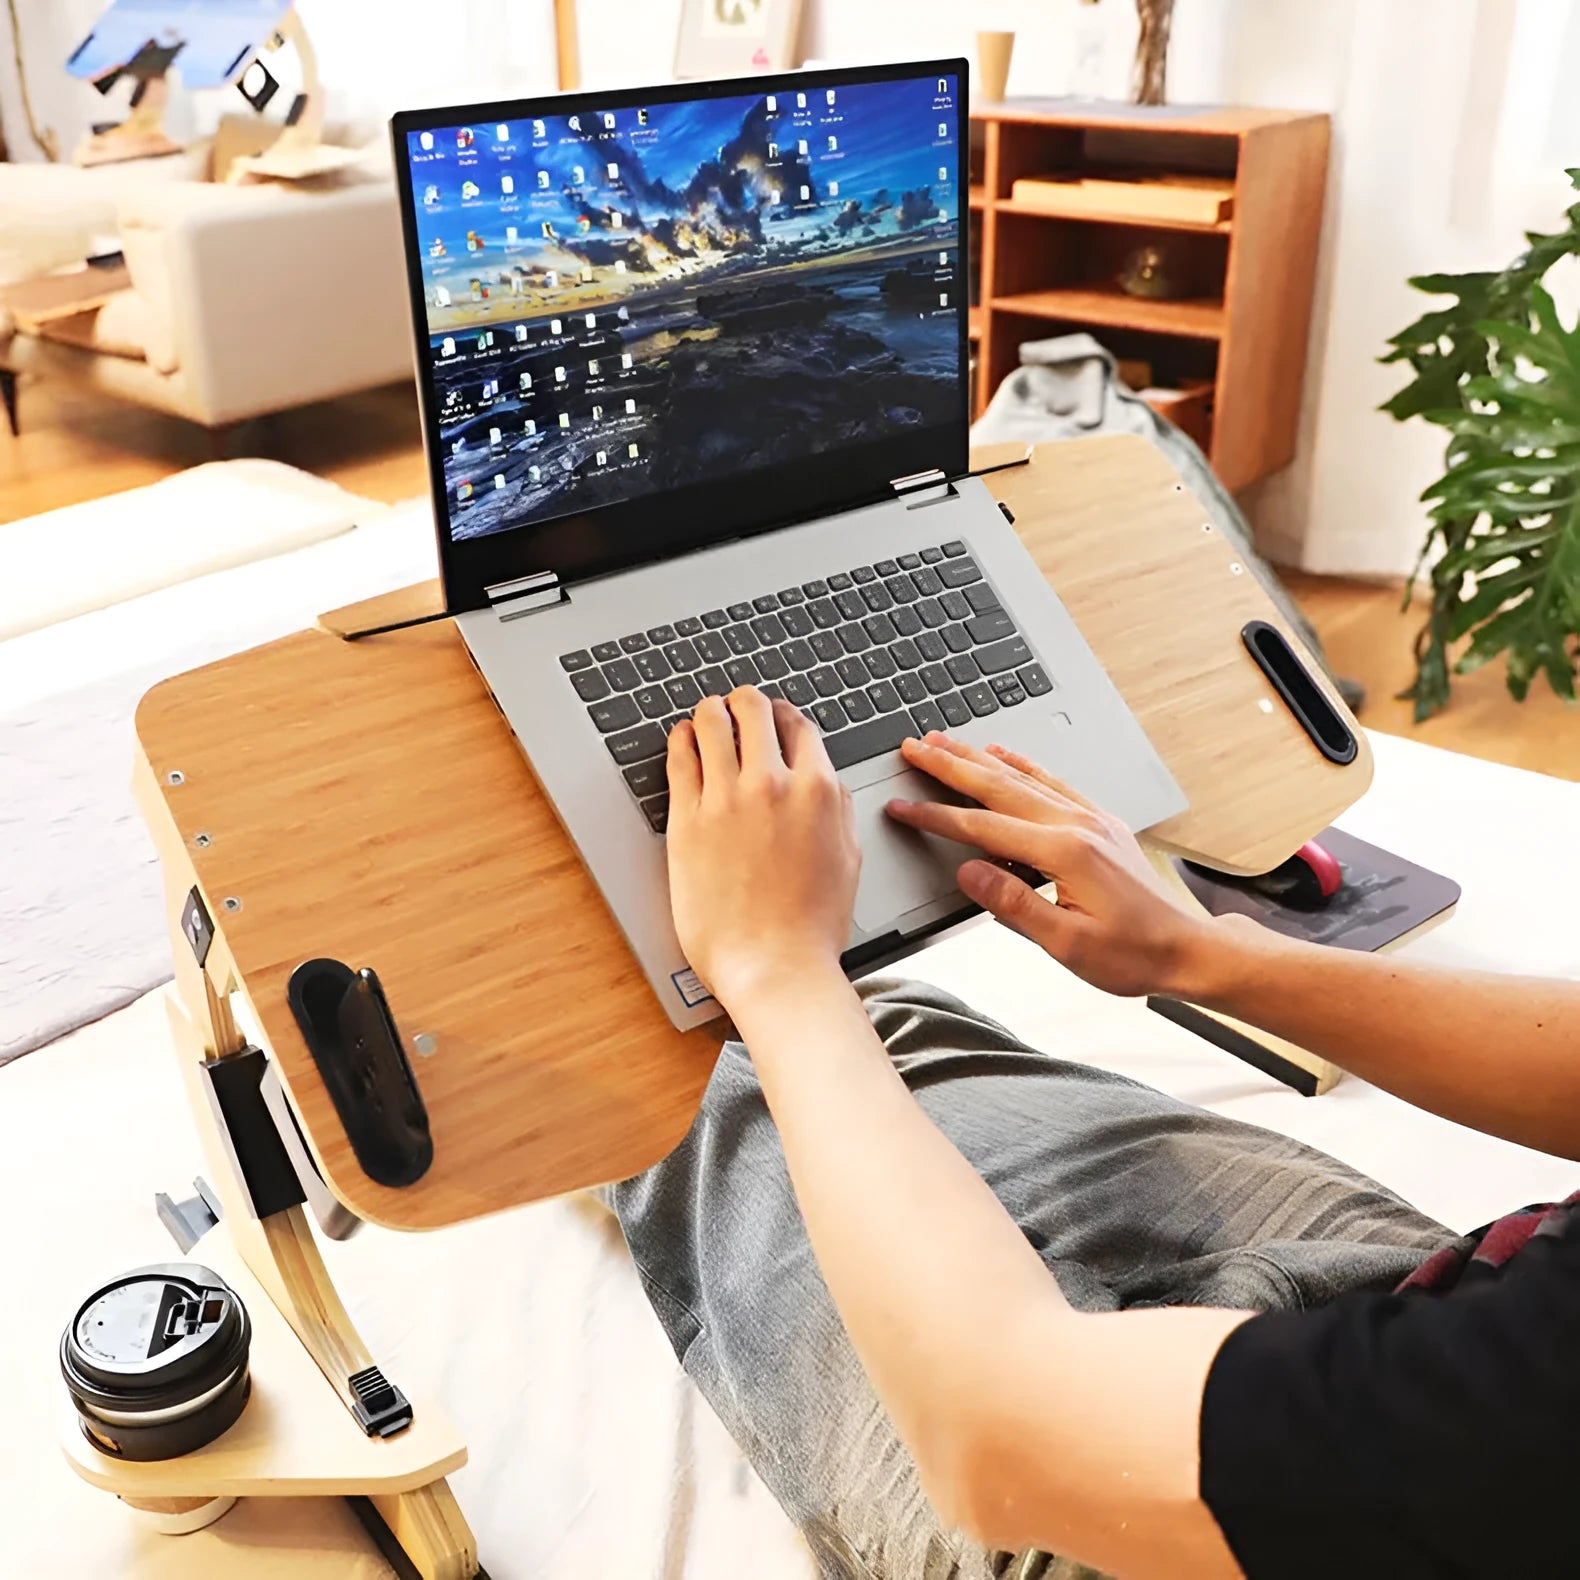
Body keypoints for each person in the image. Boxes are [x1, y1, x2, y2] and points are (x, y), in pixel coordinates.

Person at [609, 688, 1580, 1580]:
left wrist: (775, 964)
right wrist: (1198, 951)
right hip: (1440, 1309)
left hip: (1158, 1518)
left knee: (672, 1086)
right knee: (873, 1029)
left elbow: (1000, 1438)